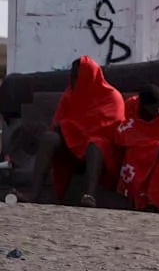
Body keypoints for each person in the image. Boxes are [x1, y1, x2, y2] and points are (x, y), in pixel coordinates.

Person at [23, 56, 124, 206]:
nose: (74, 81)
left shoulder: (111, 96)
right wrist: (69, 129)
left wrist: (72, 128)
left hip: (95, 151)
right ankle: (34, 193)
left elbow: (108, 127)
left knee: (96, 143)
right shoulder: (70, 94)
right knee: (49, 138)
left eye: (78, 77)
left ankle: (89, 195)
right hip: (71, 145)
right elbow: (59, 123)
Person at [116, 85, 159, 213]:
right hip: (141, 147)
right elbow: (124, 133)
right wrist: (153, 147)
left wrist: (152, 146)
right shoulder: (131, 106)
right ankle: (137, 199)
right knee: (133, 156)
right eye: (154, 109)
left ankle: (154, 203)